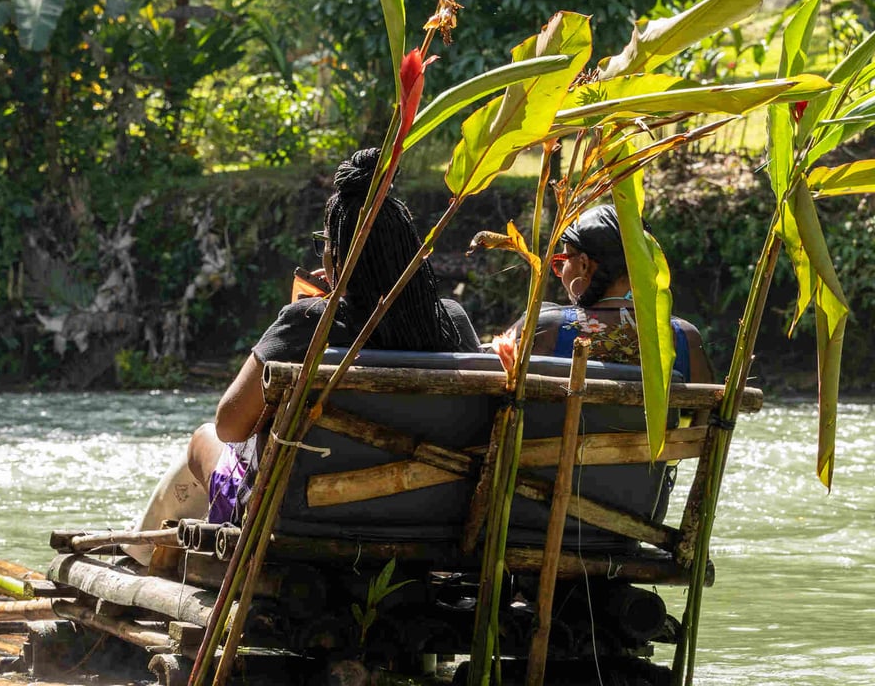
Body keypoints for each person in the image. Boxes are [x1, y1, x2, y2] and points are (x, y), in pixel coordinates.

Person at [126, 148, 481, 563]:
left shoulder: (308, 324)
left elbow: (230, 426)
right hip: (431, 517)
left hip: (301, 516)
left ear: (339, 256)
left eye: (325, 245)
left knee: (202, 439)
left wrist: (320, 308)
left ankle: (138, 556)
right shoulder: (452, 322)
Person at [496, 204, 713, 383]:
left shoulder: (544, 327)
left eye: (562, 262)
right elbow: (705, 418)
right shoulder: (684, 336)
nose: (560, 273)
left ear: (583, 265)